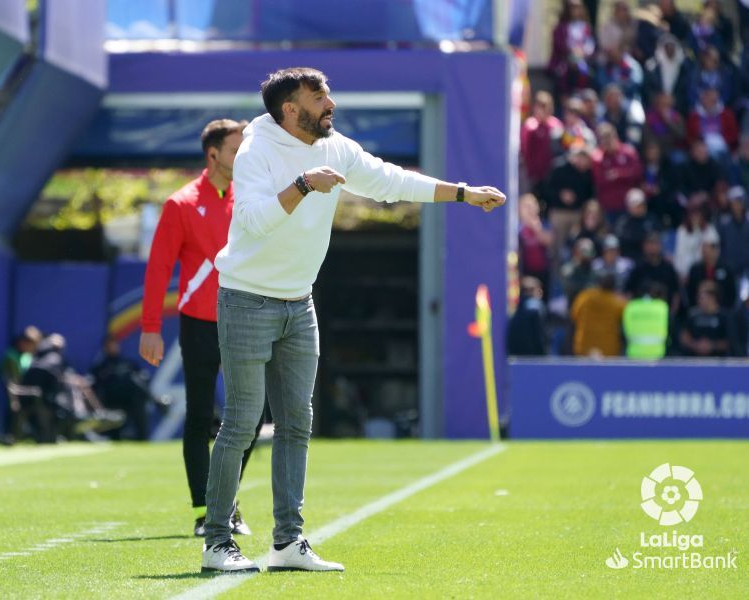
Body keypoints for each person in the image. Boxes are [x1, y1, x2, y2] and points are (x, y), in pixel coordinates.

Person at [201, 67, 505, 573]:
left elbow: (388, 180)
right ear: (290, 110)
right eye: (318, 97)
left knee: (297, 424)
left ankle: (287, 543)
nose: (330, 104)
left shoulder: (334, 145)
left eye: (328, 94)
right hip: (247, 299)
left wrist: (462, 192)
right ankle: (217, 543)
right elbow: (251, 221)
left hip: (299, 302)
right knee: (242, 424)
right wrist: (303, 185)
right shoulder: (256, 149)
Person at [138, 118, 260, 538]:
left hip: (244, 320)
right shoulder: (181, 204)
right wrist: (150, 326)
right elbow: (158, 269)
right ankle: (204, 510)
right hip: (198, 324)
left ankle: (225, 504)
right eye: (234, 149)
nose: (242, 156)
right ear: (213, 155)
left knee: (252, 414)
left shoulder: (250, 196)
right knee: (199, 417)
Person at [91, 336, 152, 441]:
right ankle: (155, 400)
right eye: (110, 346)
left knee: (135, 382)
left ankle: (143, 438)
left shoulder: (127, 363)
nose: (113, 348)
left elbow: (142, 375)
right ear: (105, 348)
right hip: (112, 399)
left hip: (131, 399)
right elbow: (94, 384)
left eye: (115, 345)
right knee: (131, 379)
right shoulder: (101, 366)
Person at [0, 325, 43, 443]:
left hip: (22, 390)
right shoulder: (11, 357)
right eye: (32, 345)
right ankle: (10, 435)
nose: (34, 348)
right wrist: (14, 399)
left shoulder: (27, 357)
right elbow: (10, 383)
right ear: (23, 342)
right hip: (13, 391)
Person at [592, 123, 643, 220]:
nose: (607, 143)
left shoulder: (628, 152)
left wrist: (619, 174)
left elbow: (637, 173)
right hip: (608, 206)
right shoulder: (598, 157)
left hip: (628, 204)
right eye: (603, 139)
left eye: (609, 138)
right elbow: (600, 180)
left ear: (615, 137)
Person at [570, 270, 626, 357]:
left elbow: (574, 315)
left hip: (584, 347)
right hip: (608, 350)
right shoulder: (617, 302)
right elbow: (624, 322)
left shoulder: (585, 297)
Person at [625, 232, 680, 310]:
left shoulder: (668, 268)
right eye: (649, 243)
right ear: (644, 246)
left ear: (660, 246)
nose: (651, 247)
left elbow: (675, 294)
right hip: (641, 312)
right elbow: (629, 293)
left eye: (654, 243)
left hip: (662, 313)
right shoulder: (638, 268)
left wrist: (673, 313)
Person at [685, 228, 737, 309]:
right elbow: (690, 293)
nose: (705, 251)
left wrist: (715, 288)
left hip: (722, 311)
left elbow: (731, 294)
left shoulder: (726, 270)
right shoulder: (695, 270)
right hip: (699, 310)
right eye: (703, 248)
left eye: (708, 248)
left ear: (715, 250)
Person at [679, 280, 731, 356]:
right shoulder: (692, 315)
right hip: (694, 360)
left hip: (718, 361)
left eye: (702, 297)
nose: (698, 299)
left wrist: (712, 346)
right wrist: (695, 345)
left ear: (712, 297)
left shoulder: (725, 317)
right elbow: (684, 337)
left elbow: (731, 340)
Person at [623, 282, 670, 359]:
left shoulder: (630, 306)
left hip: (634, 355)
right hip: (657, 355)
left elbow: (624, 331)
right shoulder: (662, 307)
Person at [614, 188, 659, 261]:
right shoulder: (623, 222)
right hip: (628, 258)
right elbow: (621, 239)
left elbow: (656, 236)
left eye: (642, 205)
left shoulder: (651, 219)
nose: (640, 208)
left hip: (647, 258)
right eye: (636, 206)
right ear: (629, 207)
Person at [507, 277, 547, 356]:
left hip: (516, 356)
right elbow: (538, 337)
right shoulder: (534, 306)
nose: (540, 292)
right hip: (532, 357)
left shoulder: (516, 309)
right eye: (537, 289)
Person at [717, 186, 749, 278]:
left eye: (739, 202)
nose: (737, 205)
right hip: (730, 271)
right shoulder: (724, 224)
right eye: (734, 202)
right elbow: (722, 247)